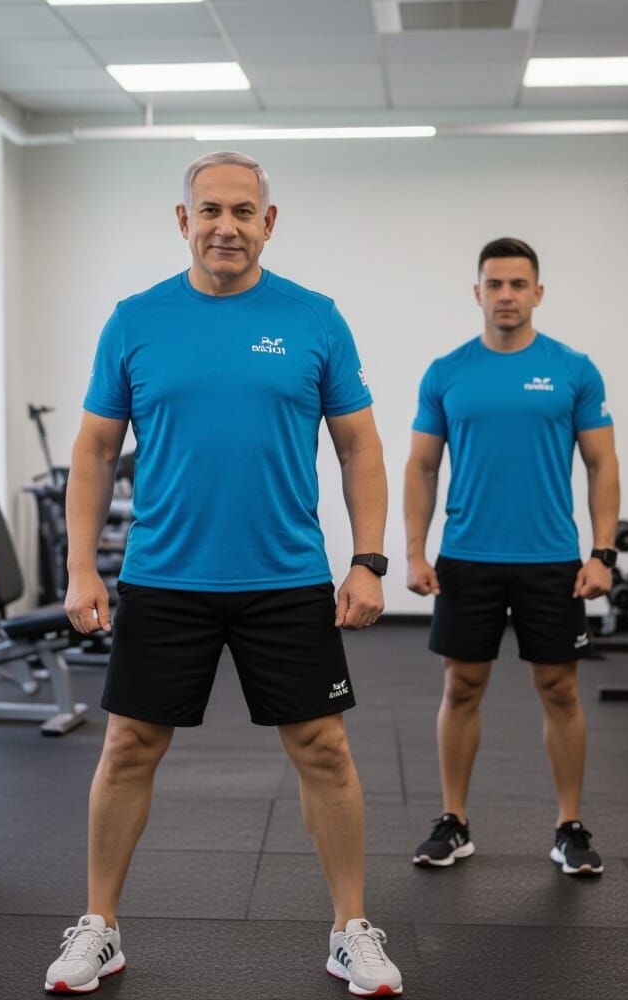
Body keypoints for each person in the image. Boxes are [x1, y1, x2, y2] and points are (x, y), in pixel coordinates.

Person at [43, 152, 402, 997]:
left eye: (244, 212)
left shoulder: (314, 319)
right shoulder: (135, 320)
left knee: (323, 749)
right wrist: (80, 569)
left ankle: (352, 929)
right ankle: (99, 926)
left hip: (285, 575)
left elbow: (361, 447)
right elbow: (94, 450)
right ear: (183, 220)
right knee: (129, 746)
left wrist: (368, 559)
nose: (226, 227)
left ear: (268, 223)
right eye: (210, 210)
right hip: (166, 574)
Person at [404, 237, 619, 877]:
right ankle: (454, 821)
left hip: (551, 557)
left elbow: (602, 462)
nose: (505, 295)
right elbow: (421, 464)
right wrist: (413, 552)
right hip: (467, 555)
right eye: (494, 284)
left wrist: (602, 551)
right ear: (478, 292)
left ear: (537, 293)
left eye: (517, 284)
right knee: (462, 684)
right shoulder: (447, 371)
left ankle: (569, 826)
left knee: (559, 688)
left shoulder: (573, 369)